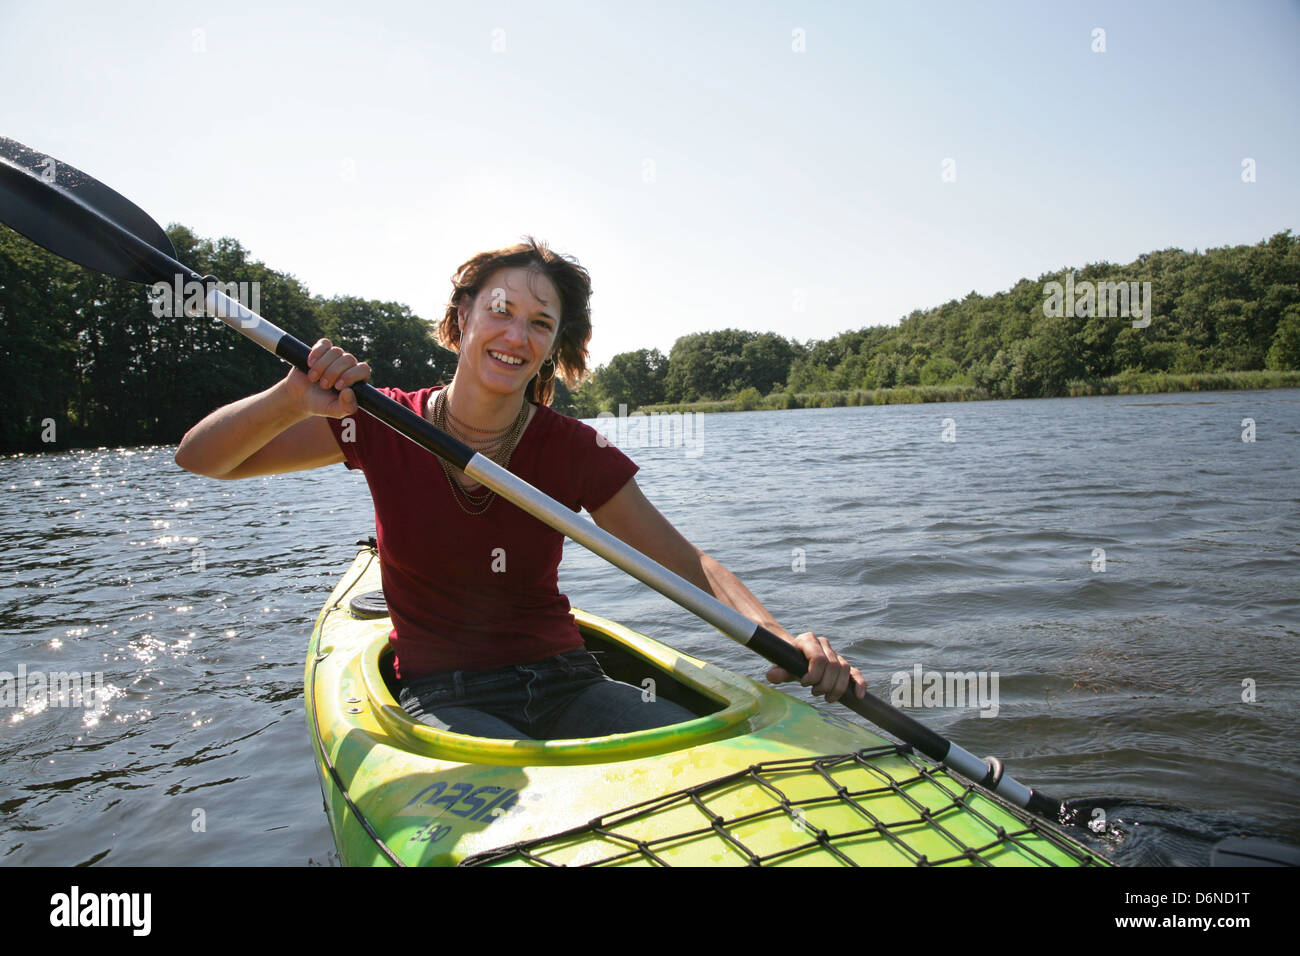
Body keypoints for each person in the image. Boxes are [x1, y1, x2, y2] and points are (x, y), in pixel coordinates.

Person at [174, 237, 866, 740]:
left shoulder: (573, 449)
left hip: (570, 681)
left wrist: (781, 636)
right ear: (461, 320)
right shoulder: (377, 420)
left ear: (554, 349)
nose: (516, 335)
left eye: (541, 324)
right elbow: (204, 458)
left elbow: (689, 565)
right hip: (443, 694)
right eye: (501, 311)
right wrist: (292, 397)